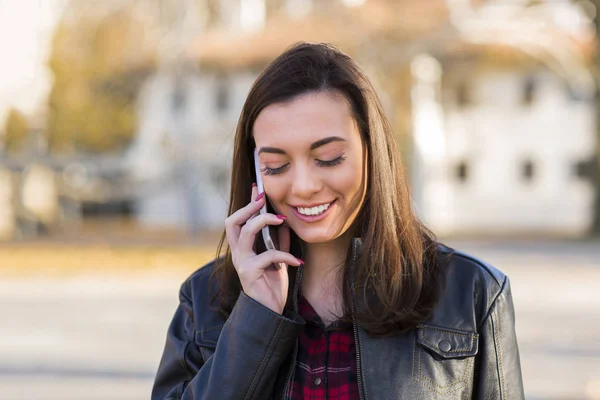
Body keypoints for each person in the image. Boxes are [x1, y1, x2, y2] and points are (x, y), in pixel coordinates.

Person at [151, 42, 525, 400]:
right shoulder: (203, 299)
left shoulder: (472, 293)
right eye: (276, 166)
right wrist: (255, 318)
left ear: (371, 152)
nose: (304, 186)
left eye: (328, 158)